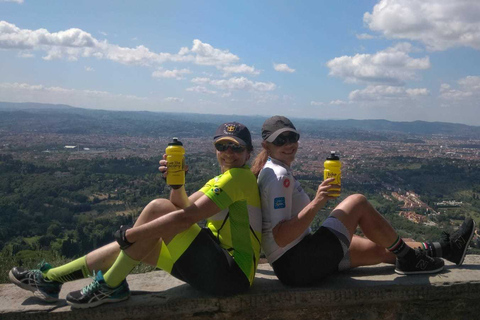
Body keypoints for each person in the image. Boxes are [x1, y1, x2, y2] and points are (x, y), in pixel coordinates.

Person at [10, 122, 262, 308]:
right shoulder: (222, 179)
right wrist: (177, 183)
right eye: (222, 146)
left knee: (155, 210)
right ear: (215, 149)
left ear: (248, 153)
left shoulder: (239, 177)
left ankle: (110, 285)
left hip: (231, 275)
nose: (229, 152)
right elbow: (183, 206)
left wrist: (132, 233)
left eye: (236, 148)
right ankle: (51, 278)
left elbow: (185, 218)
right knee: (142, 241)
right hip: (215, 270)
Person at [251, 115, 475, 286]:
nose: (289, 144)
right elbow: (281, 237)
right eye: (281, 140)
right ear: (266, 146)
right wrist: (318, 201)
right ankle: (409, 260)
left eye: (292, 137)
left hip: (296, 263)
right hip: (298, 262)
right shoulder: (278, 177)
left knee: (380, 247)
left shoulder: (273, 170)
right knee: (357, 202)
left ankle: (446, 249)